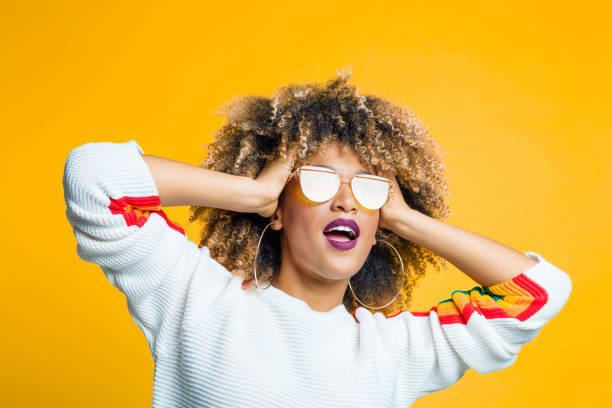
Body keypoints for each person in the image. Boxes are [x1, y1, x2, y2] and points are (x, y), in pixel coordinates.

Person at [62, 71, 572, 407]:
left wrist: (405, 219)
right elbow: (94, 178)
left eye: (368, 189)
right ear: (279, 212)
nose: (347, 201)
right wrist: (254, 190)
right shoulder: (194, 299)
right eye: (320, 180)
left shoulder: (391, 349)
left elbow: (539, 293)